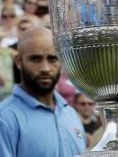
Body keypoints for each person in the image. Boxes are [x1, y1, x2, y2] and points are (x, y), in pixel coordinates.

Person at [0, 27, 86, 157]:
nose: (45, 68)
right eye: (35, 59)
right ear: (19, 62)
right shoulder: (5, 118)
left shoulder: (70, 113)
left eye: (52, 59)